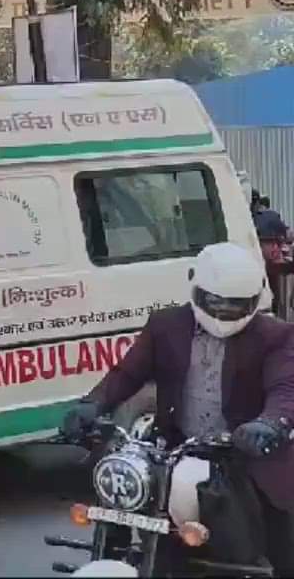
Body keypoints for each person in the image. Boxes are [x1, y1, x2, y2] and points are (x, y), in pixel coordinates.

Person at [62, 243, 294, 574]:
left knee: (279, 550)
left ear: (255, 299)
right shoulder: (165, 325)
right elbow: (128, 373)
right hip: (178, 449)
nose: (224, 312)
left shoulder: (276, 336)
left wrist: (272, 424)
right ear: (195, 287)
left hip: (245, 453)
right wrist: (92, 404)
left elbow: (286, 387)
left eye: (236, 305)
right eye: (215, 302)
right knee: (145, 511)